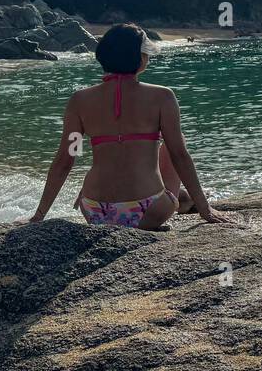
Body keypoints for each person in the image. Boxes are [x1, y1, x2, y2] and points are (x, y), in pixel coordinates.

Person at [28, 23, 229, 228]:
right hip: (146, 209)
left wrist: (39, 215)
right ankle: (188, 201)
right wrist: (206, 210)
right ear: (141, 58)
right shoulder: (162, 97)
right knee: (173, 145)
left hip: (94, 209)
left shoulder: (79, 101)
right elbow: (179, 155)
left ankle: (184, 199)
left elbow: (66, 159)